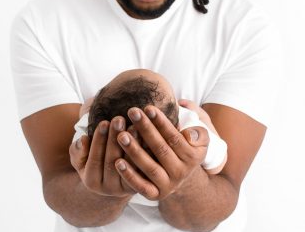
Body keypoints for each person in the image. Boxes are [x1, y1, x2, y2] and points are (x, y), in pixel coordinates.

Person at [10, 0, 282, 232]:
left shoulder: (244, 29)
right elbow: (61, 190)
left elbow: (213, 208)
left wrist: (183, 176)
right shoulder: (43, 23)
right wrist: (105, 190)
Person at [73, 69, 228, 179]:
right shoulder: (187, 125)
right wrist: (202, 117)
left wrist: (88, 111)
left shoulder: (95, 135)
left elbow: (77, 156)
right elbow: (217, 164)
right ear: (177, 123)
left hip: (115, 182)